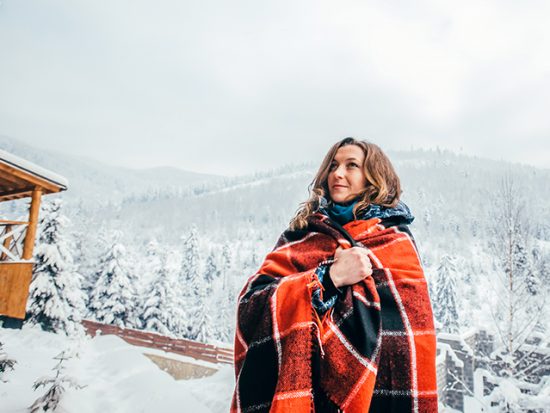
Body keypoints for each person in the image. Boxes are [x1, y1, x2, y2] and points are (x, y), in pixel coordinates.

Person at [231, 137, 437, 412]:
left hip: (378, 395)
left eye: (352, 166)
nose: (337, 174)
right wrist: (328, 279)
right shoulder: (303, 235)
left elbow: (412, 339)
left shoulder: (395, 242)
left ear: (373, 177)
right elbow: (250, 305)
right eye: (333, 165)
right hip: (308, 393)